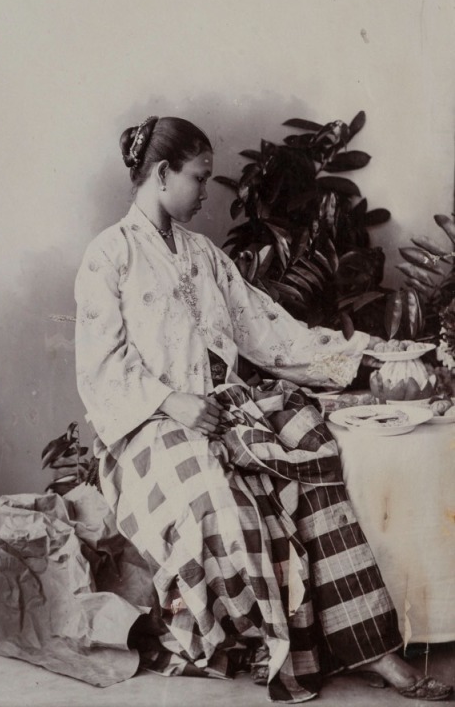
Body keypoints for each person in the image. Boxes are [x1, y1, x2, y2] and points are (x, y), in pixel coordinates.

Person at [74, 116, 452, 703]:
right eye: (198, 178)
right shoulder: (109, 256)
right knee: (223, 509)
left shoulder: (204, 255)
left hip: (226, 410)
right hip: (147, 427)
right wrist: (171, 401)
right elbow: (101, 366)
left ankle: (376, 651)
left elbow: (272, 332)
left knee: (317, 456)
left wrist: (367, 356)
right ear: (162, 173)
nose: (206, 192)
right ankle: (265, 643)